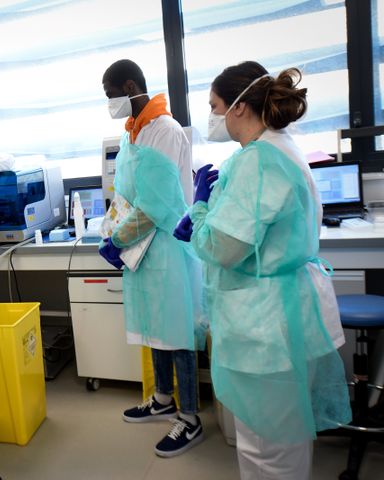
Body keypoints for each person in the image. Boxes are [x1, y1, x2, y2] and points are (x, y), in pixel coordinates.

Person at [173, 61, 352, 479]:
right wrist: (210, 212)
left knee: (266, 446)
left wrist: (200, 210)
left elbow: (224, 247)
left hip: (265, 324)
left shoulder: (258, 161)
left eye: (214, 105)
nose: (212, 117)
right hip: (280, 315)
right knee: (282, 439)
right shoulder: (280, 148)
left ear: (239, 107)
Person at [100, 59, 206, 457]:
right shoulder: (134, 132)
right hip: (140, 247)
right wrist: (110, 230)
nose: (110, 104)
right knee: (156, 329)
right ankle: (163, 398)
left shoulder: (163, 129)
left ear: (130, 86)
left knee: (177, 333)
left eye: (111, 95)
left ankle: (191, 418)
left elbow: (156, 205)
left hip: (165, 246)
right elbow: (125, 194)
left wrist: (118, 239)